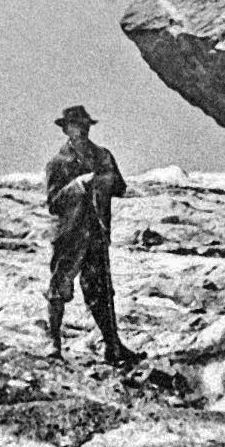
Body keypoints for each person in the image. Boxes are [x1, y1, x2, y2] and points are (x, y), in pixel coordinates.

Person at [43, 105, 144, 365]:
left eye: (85, 124)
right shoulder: (58, 162)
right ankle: (54, 344)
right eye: (76, 124)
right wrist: (77, 186)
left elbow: (120, 187)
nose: (83, 128)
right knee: (59, 287)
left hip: (97, 233)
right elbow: (53, 202)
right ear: (66, 129)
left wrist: (104, 181)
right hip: (69, 234)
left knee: (101, 291)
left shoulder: (102, 156)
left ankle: (113, 346)